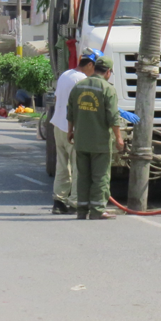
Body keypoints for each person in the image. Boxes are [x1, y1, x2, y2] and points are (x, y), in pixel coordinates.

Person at [67, 55, 124, 220]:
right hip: (100, 142)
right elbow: (113, 116)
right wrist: (119, 138)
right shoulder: (108, 89)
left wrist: (70, 132)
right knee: (100, 176)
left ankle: (82, 210)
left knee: (83, 176)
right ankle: (97, 210)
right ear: (108, 72)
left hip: (81, 140)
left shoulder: (78, 86)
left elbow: (70, 112)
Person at [48, 49, 96, 214]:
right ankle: (75, 202)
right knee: (79, 167)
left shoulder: (66, 74)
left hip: (57, 126)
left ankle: (58, 201)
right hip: (72, 129)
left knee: (62, 165)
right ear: (89, 64)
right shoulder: (82, 80)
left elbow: (57, 99)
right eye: (95, 67)